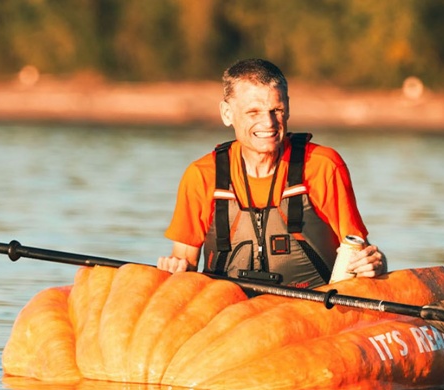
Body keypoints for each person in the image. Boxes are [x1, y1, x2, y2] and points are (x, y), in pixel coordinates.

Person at [157, 58, 386, 289]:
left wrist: (376, 264)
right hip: (228, 314)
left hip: (313, 314)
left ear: (287, 108)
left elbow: (360, 253)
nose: (268, 123)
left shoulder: (323, 166)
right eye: (253, 112)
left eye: (276, 110)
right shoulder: (201, 175)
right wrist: (174, 269)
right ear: (227, 114)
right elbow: (184, 265)